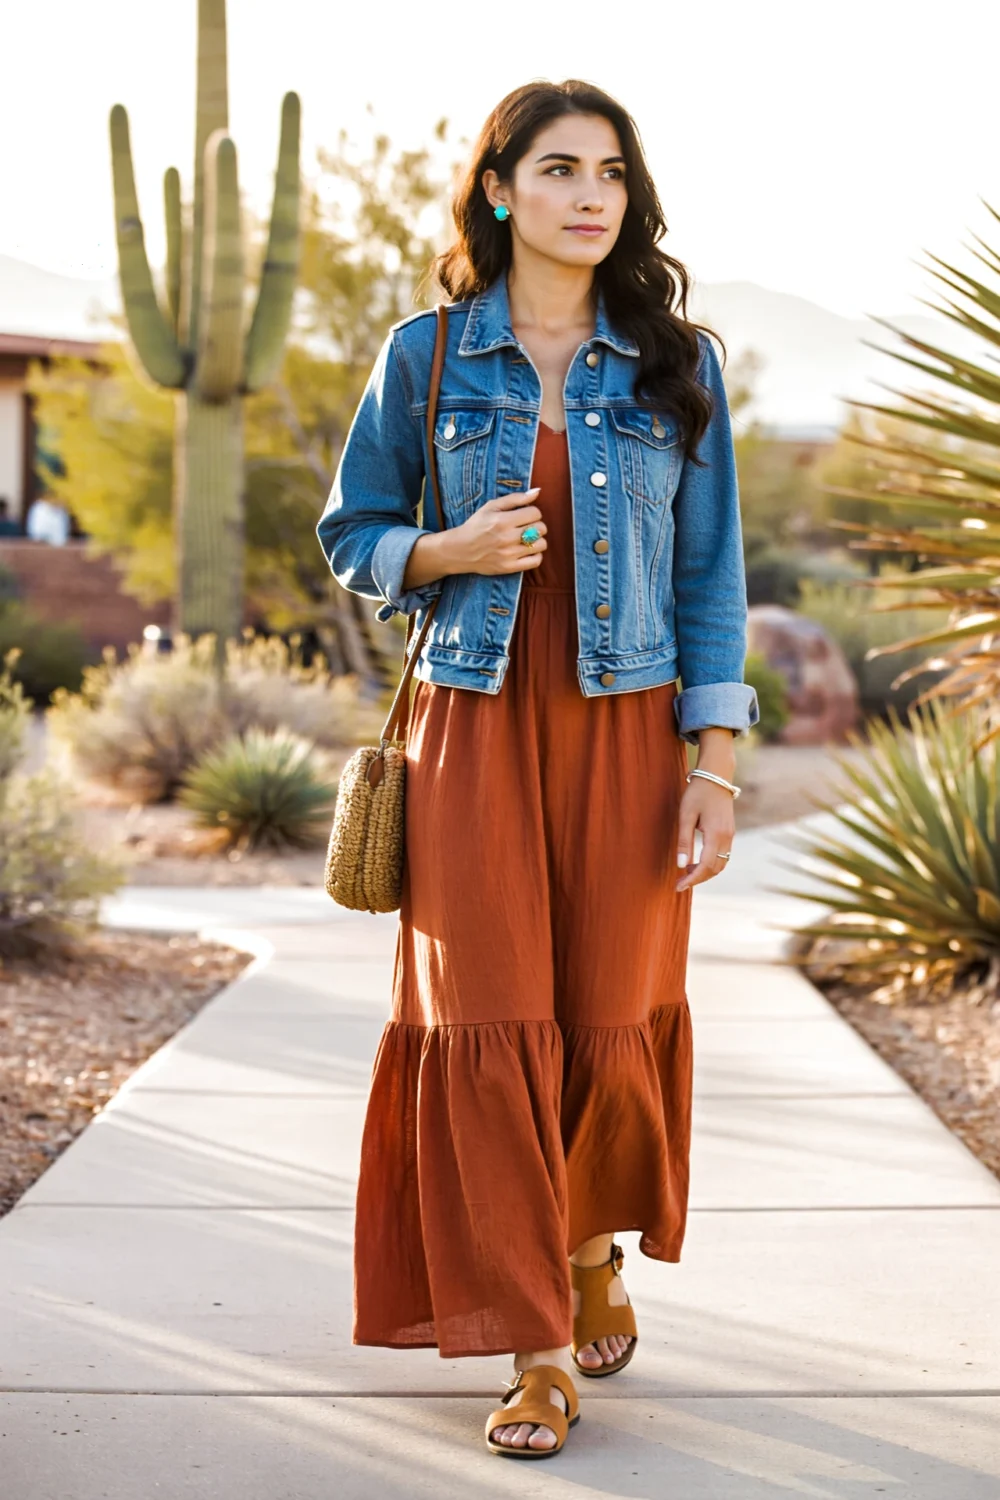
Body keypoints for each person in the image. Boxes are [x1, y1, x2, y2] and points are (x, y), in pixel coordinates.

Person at [316, 78, 759, 1460]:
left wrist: (717, 763)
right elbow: (354, 531)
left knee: (608, 1011)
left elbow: (711, 580)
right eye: (558, 167)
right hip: (473, 725)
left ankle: (583, 1248)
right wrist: (444, 554)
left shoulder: (676, 363)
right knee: (491, 1014)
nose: (589, 194)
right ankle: (536, 1349)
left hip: (628, 735)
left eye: (611, 172)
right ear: (500, 189)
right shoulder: (430, 355)